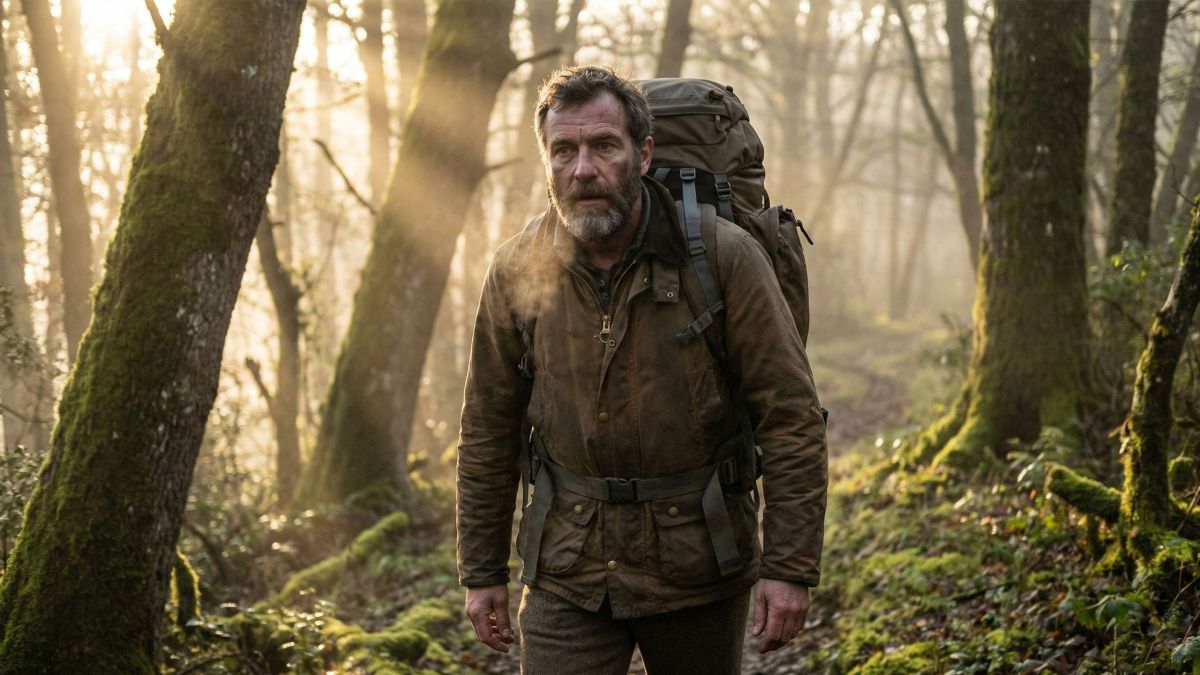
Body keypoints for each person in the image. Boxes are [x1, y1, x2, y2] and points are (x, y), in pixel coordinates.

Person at [456, 65, 828, 674]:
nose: (583, 169)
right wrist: (482, 571)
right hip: (566, 567)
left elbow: (791, 419)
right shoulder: (517, 269)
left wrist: (788, 568)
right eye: (564, 150)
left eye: (604, 146)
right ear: (546, 162)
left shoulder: (724, 258)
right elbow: (488, 428)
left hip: (699, 566)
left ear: (644, 152)